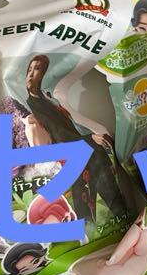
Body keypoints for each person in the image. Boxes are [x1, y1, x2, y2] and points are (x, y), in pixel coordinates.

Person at [22, 53, 124, 220]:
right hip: (64, 157)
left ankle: (120, 217)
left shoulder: (46, 98)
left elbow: (67, 127)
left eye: (37, 69)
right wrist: (90, 139)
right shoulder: (32, 105)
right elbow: (59, 134)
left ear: (43, 73)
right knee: (86, 193)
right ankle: (116, 219)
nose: (31, 74)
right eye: (30, 70)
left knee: (101, 169)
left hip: (77, 149)